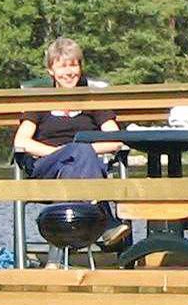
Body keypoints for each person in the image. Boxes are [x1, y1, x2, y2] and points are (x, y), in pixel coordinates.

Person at [14, 37, 130, 249]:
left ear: (80, 67)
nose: (69, 72)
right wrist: (64, 151)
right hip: (48, 165)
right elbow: (22, 141)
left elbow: (115, 140)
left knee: (78, 157)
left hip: (84, 167)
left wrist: (79, 151)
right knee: (78, 150)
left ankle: (57, 256)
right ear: (51, 70)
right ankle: (106, 222)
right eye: (62, 66)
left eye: (73, 65)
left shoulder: (92, 99)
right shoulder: (40, 100)